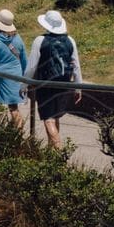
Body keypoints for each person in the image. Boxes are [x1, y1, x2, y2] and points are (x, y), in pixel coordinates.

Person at [26, 9, 83, 150]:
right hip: (64, 83)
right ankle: (52, 152)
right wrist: (78, 87)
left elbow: (31, 67)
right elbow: (76, 66)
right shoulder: (70, 41)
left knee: (48, 119)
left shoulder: (40, 41)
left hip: (45, 85)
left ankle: (59, 151)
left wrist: (24, 84)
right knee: (55, 117)